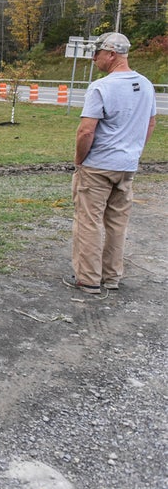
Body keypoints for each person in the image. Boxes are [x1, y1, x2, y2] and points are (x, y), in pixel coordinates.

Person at [64, 32, 157, 295]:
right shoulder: (146, 85)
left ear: (111, 54)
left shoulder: (101, 86)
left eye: (97, 53)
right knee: (117, 223)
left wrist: (79, 160)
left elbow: (86, 131)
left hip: (98, 166)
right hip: (127, 165)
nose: (95, 58)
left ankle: (89, 278)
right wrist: (134, 151)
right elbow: (150, 123)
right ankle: (112, 276)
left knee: (88, 221)